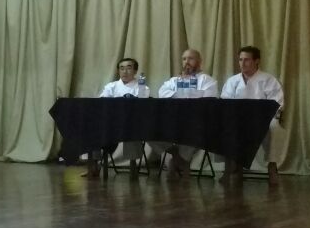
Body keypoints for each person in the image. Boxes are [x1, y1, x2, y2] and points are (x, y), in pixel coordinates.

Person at [220, 46, 285, 185]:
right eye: (240, 60)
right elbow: (225, 103)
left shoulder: (268, 80)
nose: (242, 63)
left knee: (275, 128)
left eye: (247, 60)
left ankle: (272, 166)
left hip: (263, 119)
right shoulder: (232, 81)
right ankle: (231, 167)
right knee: (224, 127)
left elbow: (277, 104)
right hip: (238, 119)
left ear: (256, 61)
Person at [151, 49, 218, 178]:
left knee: (194, 129)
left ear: (199, 61)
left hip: (197, 122)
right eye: (184, 59)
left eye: (191, 58)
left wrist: (179, 94)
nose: (187, 62)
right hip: (172, 121)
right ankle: (179, 158)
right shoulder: (174, 80)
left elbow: (207, 100)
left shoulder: (207, 80)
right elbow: (162, 93)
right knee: (148, 131)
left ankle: (177, 162)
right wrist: (187, 93)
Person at [85, 58, 148, 179]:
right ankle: (95, 164)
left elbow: (143, 106)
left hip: (131, 123)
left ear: (135, 71)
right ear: (118, 71)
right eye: (121, 68)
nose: (125, 71)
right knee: (93, 128)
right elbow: (102, 104)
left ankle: (133, 165)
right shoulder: (111, 86)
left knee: (133, 130)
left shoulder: (142, 87)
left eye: (129, 68)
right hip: (111, 123)